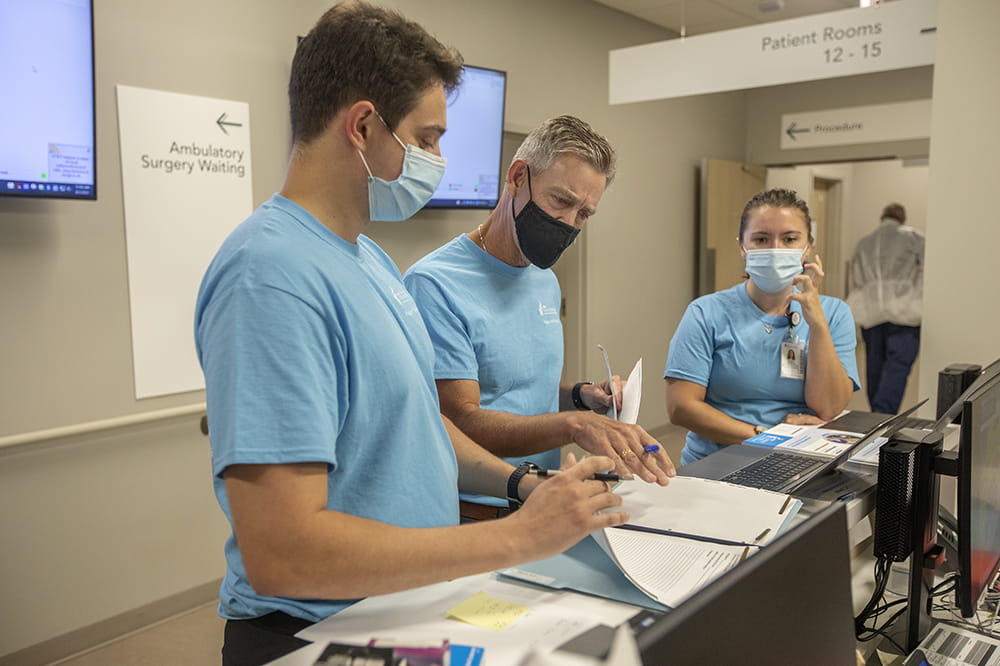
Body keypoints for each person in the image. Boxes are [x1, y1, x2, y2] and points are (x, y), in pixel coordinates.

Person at [194, 5, 627, 664]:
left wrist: (524, 489)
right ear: (363, 125)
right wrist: (517, 540)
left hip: (399, 606)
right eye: (427, 139)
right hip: (311, 633)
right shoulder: (270, 275)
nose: (438, 160)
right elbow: (283, 553)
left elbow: (421, 424)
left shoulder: (368, 260)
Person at [403, 115, 675, 521]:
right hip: (477, 512)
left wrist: (583, 396)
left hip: (542, 500)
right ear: (517, 178)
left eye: (584, 214)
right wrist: (573, 426)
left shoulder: (543, 281)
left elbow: (522, 390)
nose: (569, 223)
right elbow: (461, 420)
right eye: (561, 201)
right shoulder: (436, 283)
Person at [664, 188, 860, 465]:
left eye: (790, 239)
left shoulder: (835, 313)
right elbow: (681, 407)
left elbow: (828, 407)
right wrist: (767, 438)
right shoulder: (705, 312)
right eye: (761, 239)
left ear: (808, 246)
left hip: (803, 462)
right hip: (718, 462)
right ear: (742, 246)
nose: (775, 249)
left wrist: (817, 325)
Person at [847, 203, 925, 414]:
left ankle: (876, 415)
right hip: (905, 313)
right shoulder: (915, 238)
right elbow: (926, 270)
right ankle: (883, 415)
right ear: (902, 217)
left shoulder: (864, 243)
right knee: (897, 368)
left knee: (874, 368)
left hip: (871, 314)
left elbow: (857, 279)